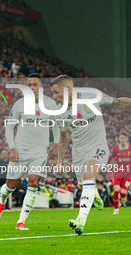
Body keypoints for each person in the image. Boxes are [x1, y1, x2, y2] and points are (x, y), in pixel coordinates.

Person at [49, 74, 131, 235]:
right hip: (78, 152)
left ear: (67, 90)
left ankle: (80, 220)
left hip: (99, 147)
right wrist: (60, 161)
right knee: (83, 184)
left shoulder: (92, 95)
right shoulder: (58, 112)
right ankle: (94, 193)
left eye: (56, 92)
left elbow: (118, 102)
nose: (54, 97)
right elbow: (64, 137)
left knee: (88, 174)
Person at [0, 73, 59, 230]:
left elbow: (58, 124)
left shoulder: (51, 104)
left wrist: (56, 143)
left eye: (35, 84)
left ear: (41, 87)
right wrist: (12, 148)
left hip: (40, 151)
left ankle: (21, 221)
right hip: (21, 149)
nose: (31, 87)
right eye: (29, 84)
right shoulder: (19, 104)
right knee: (10, 186)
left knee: (34, 182)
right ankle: (1, 200)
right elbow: (10, 127)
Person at [107, 132, 131, 215]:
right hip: (118, 172)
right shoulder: (115, 149)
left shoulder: (130, 148)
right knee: (116, 190)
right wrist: (108, 166)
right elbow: (110, 158)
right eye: (121, 138)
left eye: (124, 138)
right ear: (119, 139)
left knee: (123, 192)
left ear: (127, 139)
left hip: (128, 173)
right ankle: (116, 209)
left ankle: (123, 198)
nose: (123, 140)